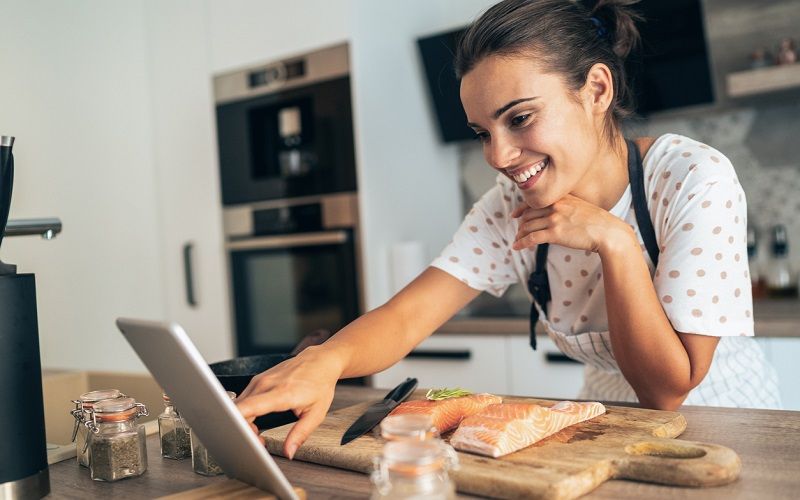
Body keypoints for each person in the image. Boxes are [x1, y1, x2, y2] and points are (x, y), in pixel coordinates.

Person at [236, 0, 781, 459]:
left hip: (727, 431)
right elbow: (407, 317)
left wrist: (614, 241)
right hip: (605, 427)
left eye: (519, 118)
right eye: (481, 131)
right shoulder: (509, 206)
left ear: (596, 90)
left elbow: (668, 388)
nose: (498, 155)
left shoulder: (691, 178)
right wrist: (324, 362)